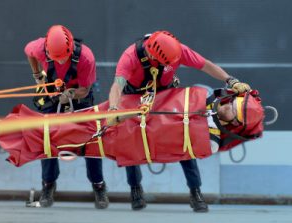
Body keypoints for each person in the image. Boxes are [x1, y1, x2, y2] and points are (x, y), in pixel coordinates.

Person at [107, 30, 251, 212]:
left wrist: (230, 80)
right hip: (135, 95)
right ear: (152, 54)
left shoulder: (177, 51)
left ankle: (195, 192)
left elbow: (205, 65)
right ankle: (135, 189)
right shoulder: (131, 56)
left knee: (184, 136)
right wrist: (113, 109)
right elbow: (117, 85)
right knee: (131, 141)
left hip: (166, 94)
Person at [24, 25, 109, 209]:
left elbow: (85, 90)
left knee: (92, 140)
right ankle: (48, 184)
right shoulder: (40, 48)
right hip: (53, 95)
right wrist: (37, 74)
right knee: (47, 138)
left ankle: (98, 185)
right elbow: (28, 50)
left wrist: (70, 95)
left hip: (79, 96)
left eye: (63, 57)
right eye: (56, 58)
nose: (61, 61)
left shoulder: (86, 58)